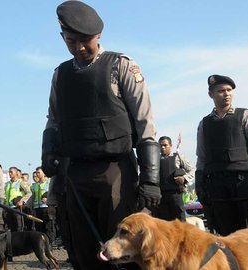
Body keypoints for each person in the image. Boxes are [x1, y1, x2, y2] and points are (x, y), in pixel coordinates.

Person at [41, 2, 160, 269]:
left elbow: (145, 122)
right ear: (63, 38)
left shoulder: (121, 66)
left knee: (122, 251)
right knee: (83, 250)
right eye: (71, 41)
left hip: (115, 171)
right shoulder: (60, 74)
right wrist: (48, 149)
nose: (79, 48)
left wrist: (150, 177)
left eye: (86, 41)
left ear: (99, 36)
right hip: (76, 173)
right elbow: (53, 120)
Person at [195, 74, 248, 236]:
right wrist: (199, 185)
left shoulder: (245, 116)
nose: (227, 94)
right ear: (211, 94)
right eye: (221, 90)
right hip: (217, 187)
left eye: (229, 90)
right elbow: (201, 157)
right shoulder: (204, 124)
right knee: (226, 236)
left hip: (244, 185)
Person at [154, 136, 194, 222]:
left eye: (165, 145)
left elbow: (192, 170)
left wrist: (184, 178)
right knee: (164, 224)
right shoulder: (155, 159)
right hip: (161, 196)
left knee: (180, 222)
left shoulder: (178, 157)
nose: (162, 147)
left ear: (170, 145)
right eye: (160, 145)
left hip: (176, 195)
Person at [4, 166, 32, 232]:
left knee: (18, 226)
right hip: (8, 208)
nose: (9, 173)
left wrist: (22, 200)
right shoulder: (7, 184)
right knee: (10, 227)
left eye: (11, 172)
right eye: (9, 172)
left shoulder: (20, 182)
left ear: (16, 173)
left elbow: (29, 193)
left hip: (17, 208)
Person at [33, 167, 56, 245]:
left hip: (46, 208)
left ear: (43, 173)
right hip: (37, 208)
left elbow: (53, 193)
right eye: (36, 173)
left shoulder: (48, 183)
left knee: (48, 227)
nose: (37, 174)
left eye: (38, 172)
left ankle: (50, 244)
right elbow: (32, 196)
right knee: (39, 227)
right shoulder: (34, 185)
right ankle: (42, 244)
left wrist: (48, 199)